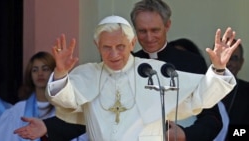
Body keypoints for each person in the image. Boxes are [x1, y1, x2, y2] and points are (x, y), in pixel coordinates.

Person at [13, 15, 240, 141]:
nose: (114, 54)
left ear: (132, 44)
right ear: (97, 46)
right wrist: (61, 73)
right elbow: (67, 102)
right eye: (107, 47)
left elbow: (197, 100)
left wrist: (218, 69)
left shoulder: (156, 71)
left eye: (120, 46)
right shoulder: (88, 74)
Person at [130, 1, 224, 140]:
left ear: (167, 25)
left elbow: (212, 118)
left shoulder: (192, 62)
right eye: (142, 31)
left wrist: (185, 135)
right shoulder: (128, 65)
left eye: (155, 30)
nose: (149, 38)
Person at [0, 51, 85, 141]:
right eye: (35, 70)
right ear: (30, 75)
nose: (40, 73)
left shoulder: (67, 109)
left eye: (45, 69)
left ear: (53, 72)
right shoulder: (18, 111)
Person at [168, 38, 229, 141]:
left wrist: (186, 135)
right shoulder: (158, 96)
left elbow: (217, 133)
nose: (178, 68)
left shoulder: (212, 103)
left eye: (184, 61)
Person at [221, 39, 249, 141]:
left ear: (241, 63)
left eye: (233, 58)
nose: (228, 63)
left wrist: (228, 135)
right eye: (224, 56)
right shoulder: (201, 87)